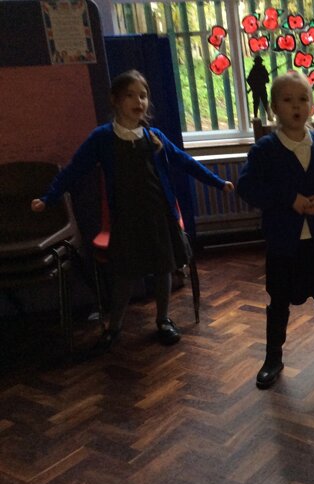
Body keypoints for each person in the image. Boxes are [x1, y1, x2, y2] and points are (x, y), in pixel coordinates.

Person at [31, 69, 234, 353]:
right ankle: (114, 327)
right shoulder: (102, 138)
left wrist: (217, 182)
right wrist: (49, 197)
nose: (139, 101)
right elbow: (74, 169)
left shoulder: (154, 136)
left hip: (158, 217)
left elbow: (184, 161)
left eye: (143, 95)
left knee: (163, 269)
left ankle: (163, 320)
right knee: (124, 276)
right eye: (130, 95)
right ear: (115, 100)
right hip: (125, 220)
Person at [236, 70, 314, 389]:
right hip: (283, 242)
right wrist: (287, 199)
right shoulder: (265, 150)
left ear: (311, 105)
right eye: (288, 100)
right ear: (274, 108)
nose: (296, 106)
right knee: (279, 301)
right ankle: (273, 357)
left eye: (303, 99)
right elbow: (247, 187)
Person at [246, 56, 274, 121]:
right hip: (261, 89)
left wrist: (253, 86)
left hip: (258, 89)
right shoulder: (261, 70)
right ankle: (260, 116)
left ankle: (266, 116)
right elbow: (267, 80)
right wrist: (254, 85)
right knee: (262, 103)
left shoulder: (254, 70)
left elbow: (249, 80)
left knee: (258, 103)